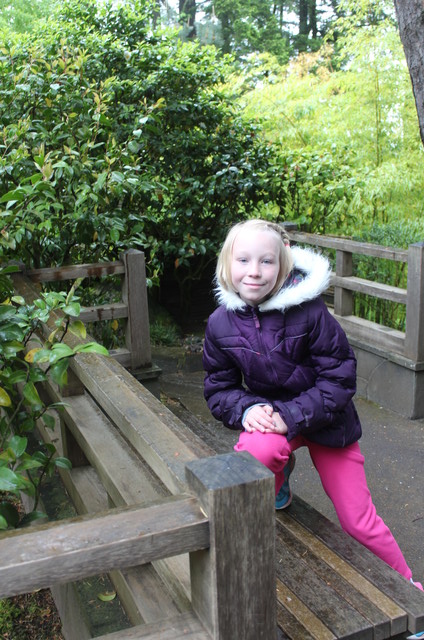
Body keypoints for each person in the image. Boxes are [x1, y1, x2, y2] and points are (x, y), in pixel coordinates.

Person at [202, 218, 423, 589]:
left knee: (358, 519)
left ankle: (411, 592)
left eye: (266, 261)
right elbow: (219, 387)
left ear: (283, 264)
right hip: (271, 420)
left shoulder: (310, 312)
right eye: (243, 260)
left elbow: (339, 378)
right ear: (226, 264)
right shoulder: (220, 324)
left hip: (325, 422)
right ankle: (275, 484)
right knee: (257, 455)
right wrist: (247, 409)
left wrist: (291, 416)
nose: (254, 272)